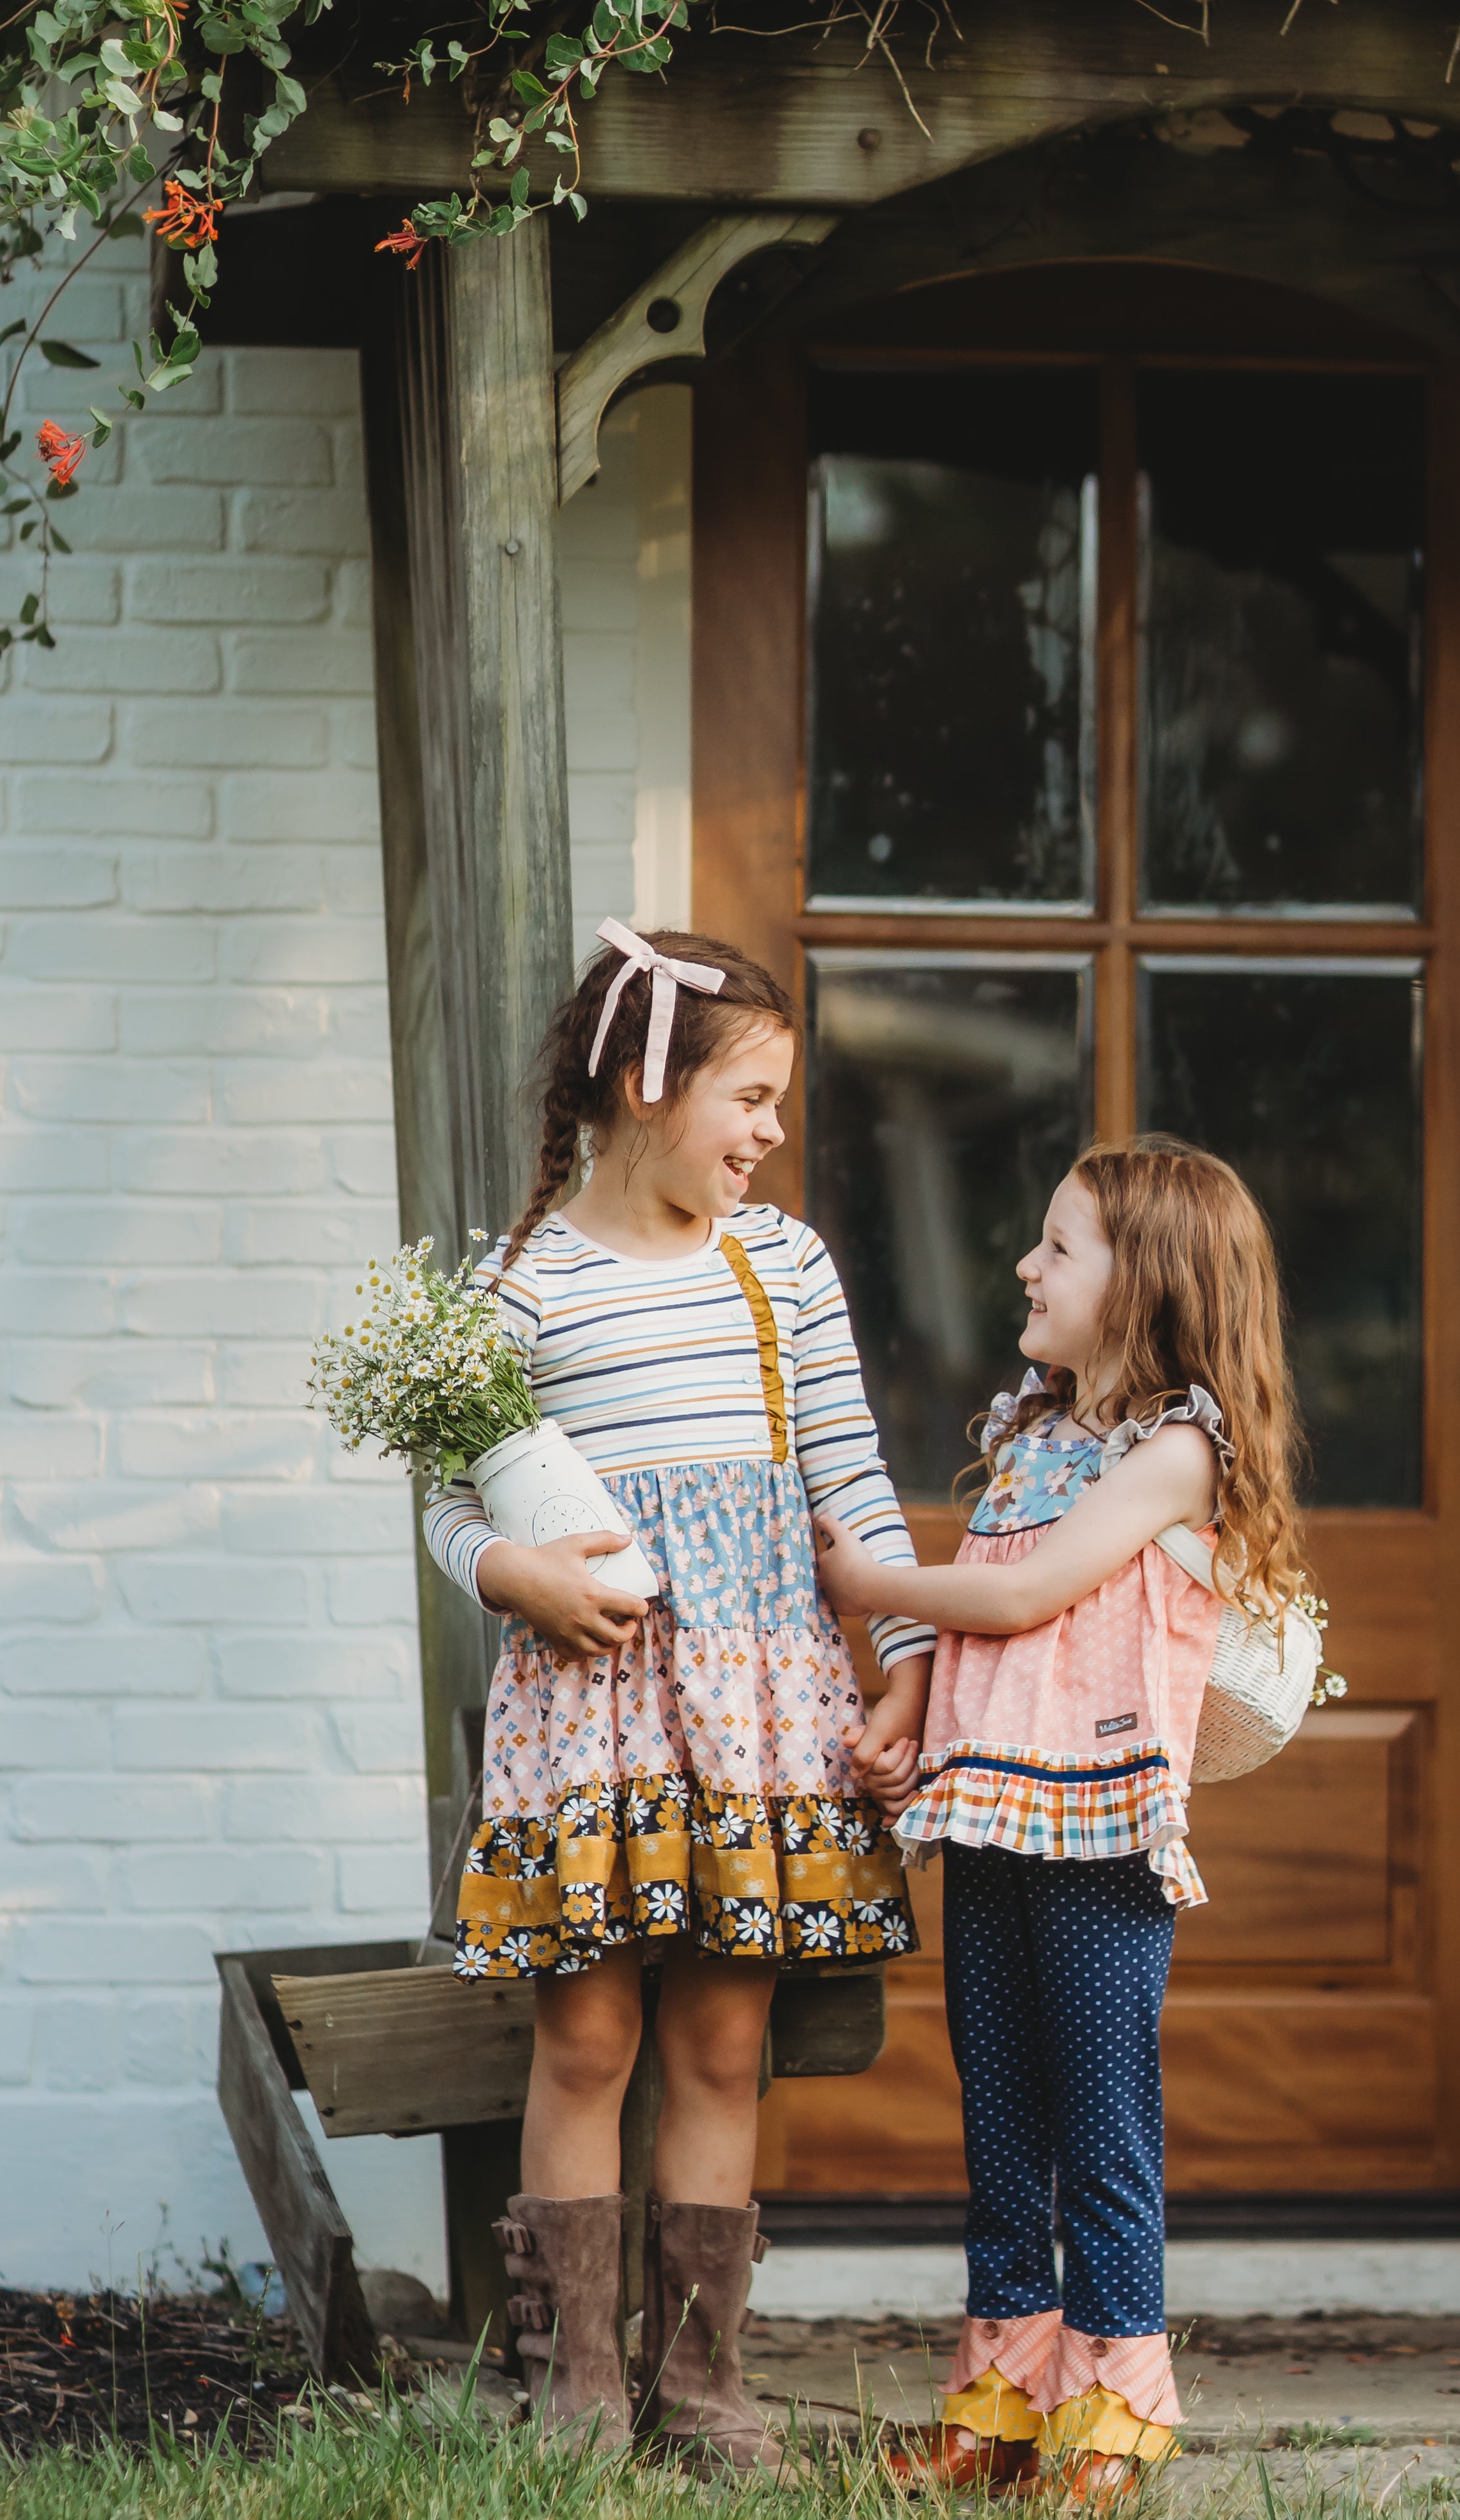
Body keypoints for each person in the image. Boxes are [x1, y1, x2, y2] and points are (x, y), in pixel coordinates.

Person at [423, 922, 932, 2463]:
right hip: (596, 1712)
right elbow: (451, 1497)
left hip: (762, 1704)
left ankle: (701, 2388)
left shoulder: (783, 1266)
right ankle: (575, 2384)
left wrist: (904, 1664)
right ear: (646, 1082)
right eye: (753, 1097)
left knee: (722, 2047)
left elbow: (849, 1470)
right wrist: (512, 1577)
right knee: (585, 2043)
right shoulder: (517, 1283)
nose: (774, 1134)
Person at [813, 1133, 1309, 2505]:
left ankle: (1118, 2402)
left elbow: (1024, 1600)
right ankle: (1001, 2394)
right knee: (998, 2118)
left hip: (1096, 1830)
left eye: (1058, 1246)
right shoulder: (1029, 1439)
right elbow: (987, 1637)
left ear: (1142, 1282)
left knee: (1100, 2126)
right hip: (990, 1824)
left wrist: (869, 1581)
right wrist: (909, 1714)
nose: (1025, 1265)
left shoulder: (1173, 1451)